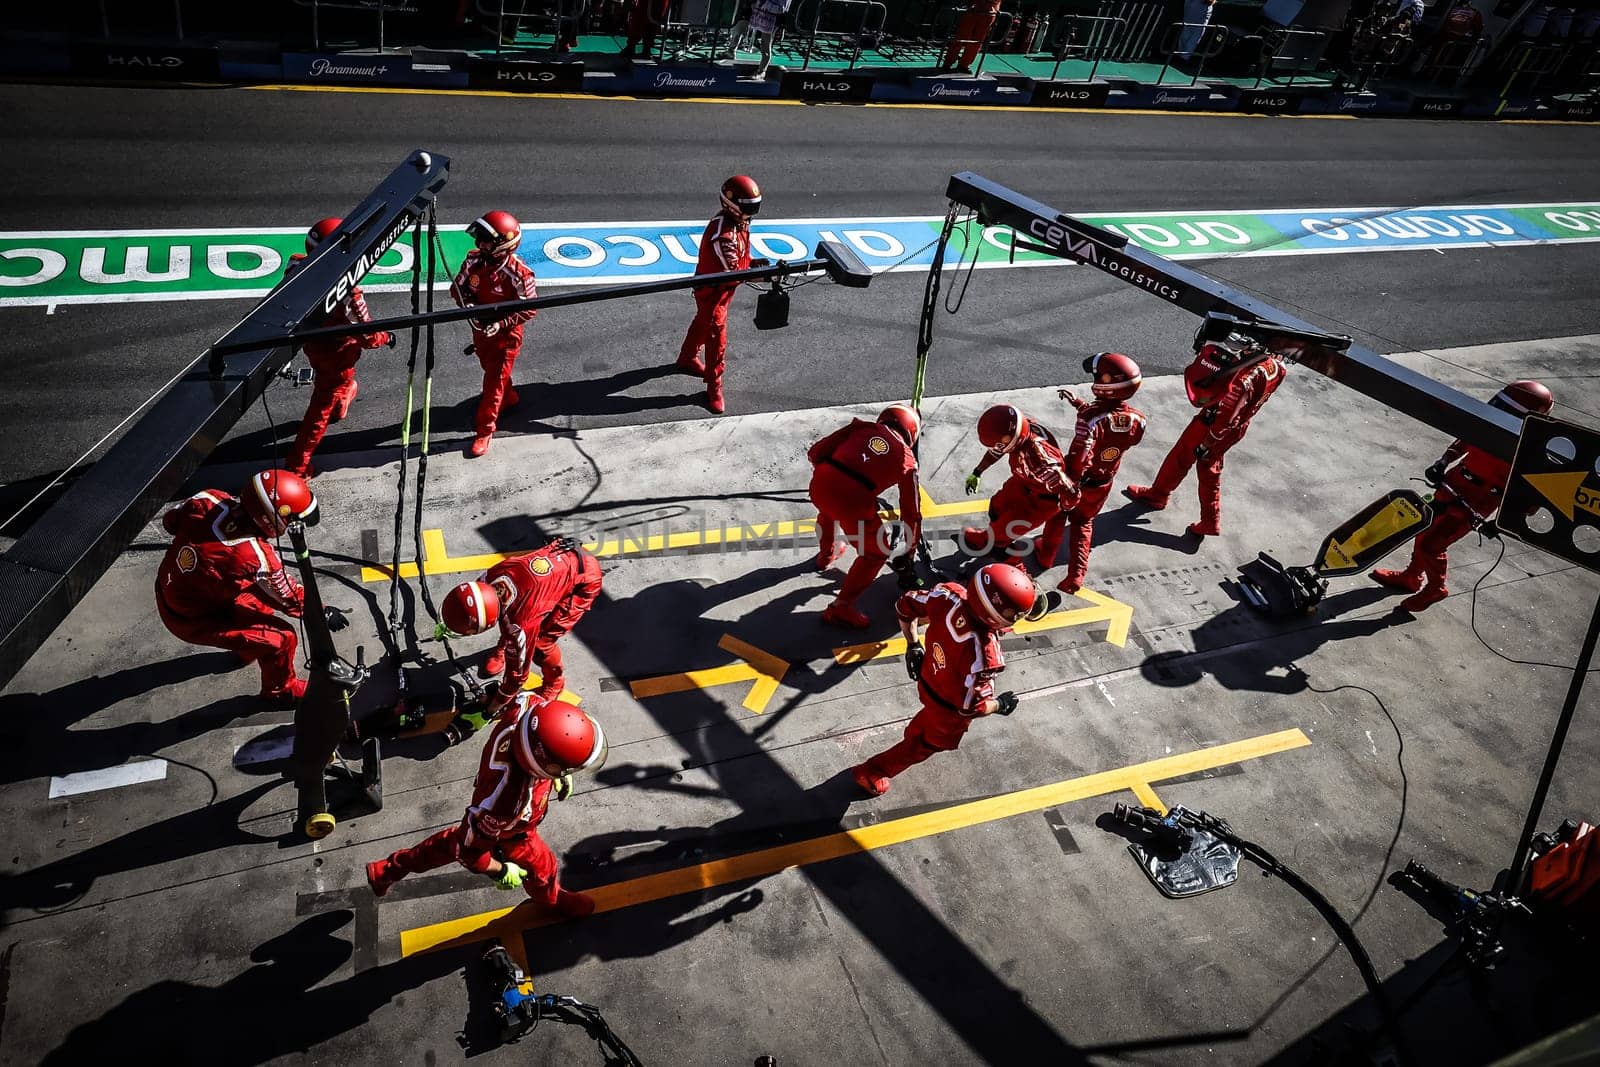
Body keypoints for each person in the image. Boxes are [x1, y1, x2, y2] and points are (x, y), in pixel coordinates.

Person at [365, 696, 606, 919]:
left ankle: (388, 870)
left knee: (450, 843)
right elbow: (469, 851)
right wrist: (499, 870)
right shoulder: (509, 802)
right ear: (542, 767)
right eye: (567, 768)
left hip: (492, 793)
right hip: (515, 831)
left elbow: (523, 708)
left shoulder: (528, 705)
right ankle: (551, 900)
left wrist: (557, 772)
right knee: (542, 867)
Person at [850, 564, 1040, 796]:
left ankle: (915, 732)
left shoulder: (946, 595)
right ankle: (872, 771)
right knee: (924, 745)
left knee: (923, 723)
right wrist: (1000, 704)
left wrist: (912, 645)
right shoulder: (985, 657)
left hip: (928, 675)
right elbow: (973, 707)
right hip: (947, 711)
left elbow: (905, 606)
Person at [1371, 380, 1553, 612]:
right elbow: (1465, 439)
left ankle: (1436, 587)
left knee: (1433, 545)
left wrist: (1502, 523)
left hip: (1478, 500)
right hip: (1453, 483)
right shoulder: (1491, 424)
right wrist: (1443, 462)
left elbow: (1531, 497)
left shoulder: (1530, 452)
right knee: (1422, 528)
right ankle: (1411, 576)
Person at [154, 470, 320, 705]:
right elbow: (288, 598)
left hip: (168, 589)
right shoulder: (257, 556)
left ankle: (247, 650)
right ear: (271, 518)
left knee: (259, 603)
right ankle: (281, 692)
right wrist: (322, 611)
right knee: (282, 639)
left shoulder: (208, 499)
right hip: (193, 620)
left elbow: (170, 521)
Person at [1124, 333, 1286, 536]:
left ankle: (1209, 520)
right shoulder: (1278, 367)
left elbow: (1228, 413)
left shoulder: (1245, 379)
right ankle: (1158, 494)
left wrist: (1209, 441)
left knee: (1205, 466)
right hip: (1237, 426)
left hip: (1214, 426)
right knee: (1184, 456)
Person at [283, 218, 394, 479]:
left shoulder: (295, 264)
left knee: (333, 386)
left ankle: (340, 402)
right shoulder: (349, 293)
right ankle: (297, 466)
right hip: (337, 354)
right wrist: (386, 338)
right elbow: (367, 336)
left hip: (309, 344)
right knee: (319, 411)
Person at [440, 537, 604, 711]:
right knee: (507, 618)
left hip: (584, 580)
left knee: (542, 644)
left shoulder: (520, 624)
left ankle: (554, 682)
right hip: (563, 557)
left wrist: (493, 707)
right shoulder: (488, 579)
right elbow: (485, 605)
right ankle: (504, 647)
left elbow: (517, 677)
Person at [808, 404, 924, 629]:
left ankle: (825, 556)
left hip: (821, 484)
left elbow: (815, 452)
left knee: (828, 510)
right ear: (911, 434)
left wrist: (833, 475)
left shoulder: (860, 427)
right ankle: (841, 607)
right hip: (855, 502)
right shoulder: (907, 460)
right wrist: (909, 552)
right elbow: (912, 514)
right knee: (876, 552)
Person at [1056, 353, 1147, 595]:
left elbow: (1079, 456)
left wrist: (1069, 485)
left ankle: (1044, 552)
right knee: (1083, 524)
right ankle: (1076, 575)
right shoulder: (1139, 420)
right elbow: (1116, 424)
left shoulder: (1090, 419)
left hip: (1077, 482)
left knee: (1054, 513)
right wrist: (1078, 403)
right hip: (1104, 483)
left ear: (1108, 385)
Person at [676, 175, 765, 415]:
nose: (752, 214)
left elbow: (743, 258)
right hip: (712, 291)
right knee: (717, 336)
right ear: (732, 205)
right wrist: (766, 275)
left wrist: (758, 264)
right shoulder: (723, 235)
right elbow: (735, 272)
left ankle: (686, 358)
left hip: (723, 289)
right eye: (748, 208)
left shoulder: (740, 223)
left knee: (702, 323)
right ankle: (714, 387)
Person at [452, 210, 537, 458]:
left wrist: (501, 324)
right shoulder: (472, 261)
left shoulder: (520, 273)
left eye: (486, 240)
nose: (480, 244)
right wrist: (466, 304)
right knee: (490, 370)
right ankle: (509, 397)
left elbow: (529, 308)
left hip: (506, 337)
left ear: (503, 244)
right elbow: (458, 288)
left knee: (492, 383)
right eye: (479, 239)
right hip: (479, 331)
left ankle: (484, 430)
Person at [959, 404, 1078, 571]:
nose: (997, 446)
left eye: (1001, 443)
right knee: (996, 508)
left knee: (1002, 539)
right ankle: (986, 538)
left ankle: (1017, 568)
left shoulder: (1040, 462)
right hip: (1023, 483)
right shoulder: (1022, 430)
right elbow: (998, 450)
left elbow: (1070, 492)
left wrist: (1063, 507)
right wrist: (978, 472)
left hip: (1040, 502)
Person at [943, 0, 1002, 71]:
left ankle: (964, 65)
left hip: (989, 12)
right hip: (974, 8)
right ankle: (948, 62)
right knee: (961, 37)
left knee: (977, 41)